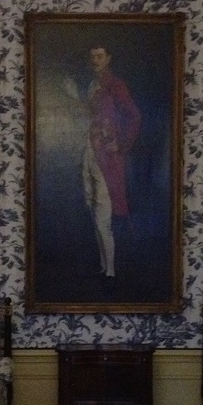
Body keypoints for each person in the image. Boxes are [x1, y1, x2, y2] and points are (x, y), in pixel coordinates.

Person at [65, 44, 141, 286]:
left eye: (99, 56)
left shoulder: (115, 85)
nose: (95, 60)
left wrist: (121, 143)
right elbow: (92, 115)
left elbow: (134, 116)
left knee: (103, 219)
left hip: (106, 159)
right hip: (89, 153)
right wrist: (74, 96)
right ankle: (103, 267)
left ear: (108, 58)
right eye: (92, 57)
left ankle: (111, 273)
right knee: (92, 210)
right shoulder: (93, 85)